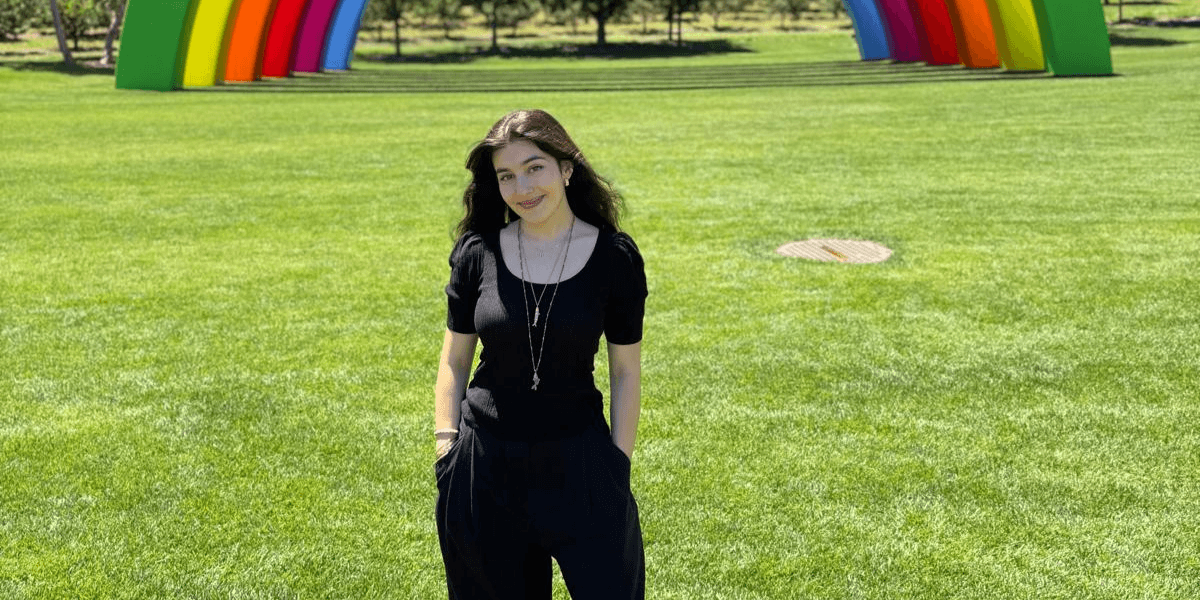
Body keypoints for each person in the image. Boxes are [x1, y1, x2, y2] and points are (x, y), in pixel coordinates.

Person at [433, 109, 648, 600]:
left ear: (566, 169)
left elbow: (625, 370)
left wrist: (618, 463)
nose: (522, 188)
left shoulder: (614, 258)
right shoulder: (477, 252)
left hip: (582, 462)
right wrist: (447, 449)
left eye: (535, 168)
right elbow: (454, 361)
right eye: (506, 176)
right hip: (484, 468)